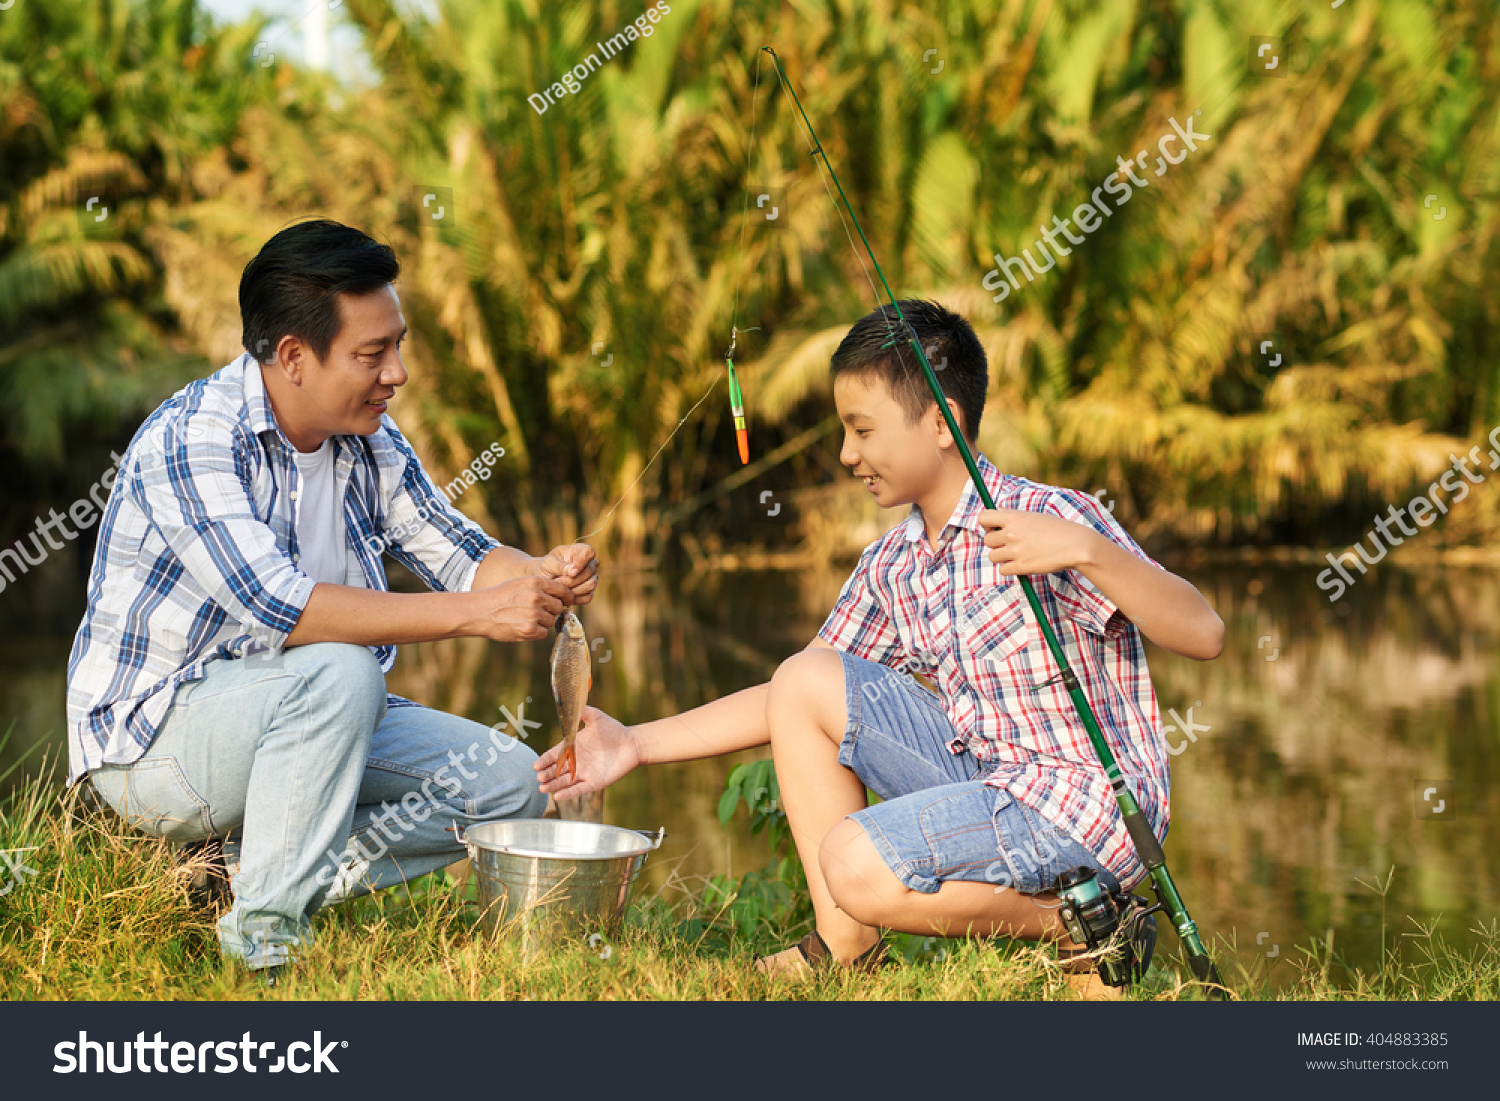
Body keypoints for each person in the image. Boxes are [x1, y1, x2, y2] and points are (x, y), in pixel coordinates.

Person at [535, 299, 1223, 997]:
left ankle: (1078, 922)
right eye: (844, 430)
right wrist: (634, 744)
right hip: (989, 783)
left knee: (854, 862)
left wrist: (1086, 551)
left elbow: (1203, 631)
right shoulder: (893, 562)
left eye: (862, 429)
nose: (846, 453)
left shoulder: (1051, 517)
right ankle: (847, 948)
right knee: (805, 678)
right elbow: (786, 701)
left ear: (942, 421)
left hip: (1084, 810)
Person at [66, 219, 597, 978]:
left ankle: (236, 876)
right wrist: (476, 615)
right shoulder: (194, 438)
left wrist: (539, 574)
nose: (398, 373)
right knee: (342, 670)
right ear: (293, 357)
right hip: (152, 744)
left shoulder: (368, 437)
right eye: (372, 353)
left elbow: (461, 553)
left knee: (507, 784)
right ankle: (263, 947)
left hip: (302, 711)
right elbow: (282, 607)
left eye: (398, 345)